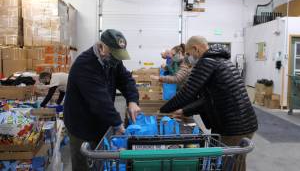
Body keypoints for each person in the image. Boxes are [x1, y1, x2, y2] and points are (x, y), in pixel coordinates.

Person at [160, 36, 258, 171]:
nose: (187, 57)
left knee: (229, 164)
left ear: (196, 49)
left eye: (188, 54)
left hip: (235, 126)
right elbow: (208, 100)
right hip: (243, 121)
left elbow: (188, 92)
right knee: (234, 162)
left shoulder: (206, 62)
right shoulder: (221, 60)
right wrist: (185, 111)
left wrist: (162, 110)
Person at [63, 29, 141, 171]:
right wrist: (117, 123)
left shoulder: (112, 61)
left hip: (100, 122)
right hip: (81, 125)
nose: (117, 60)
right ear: (101, 47)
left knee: (100, 163)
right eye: (114, 55)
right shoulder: (85, 65)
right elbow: (99, 101)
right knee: (84, 164)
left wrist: (132, 100)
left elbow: (126, 79)